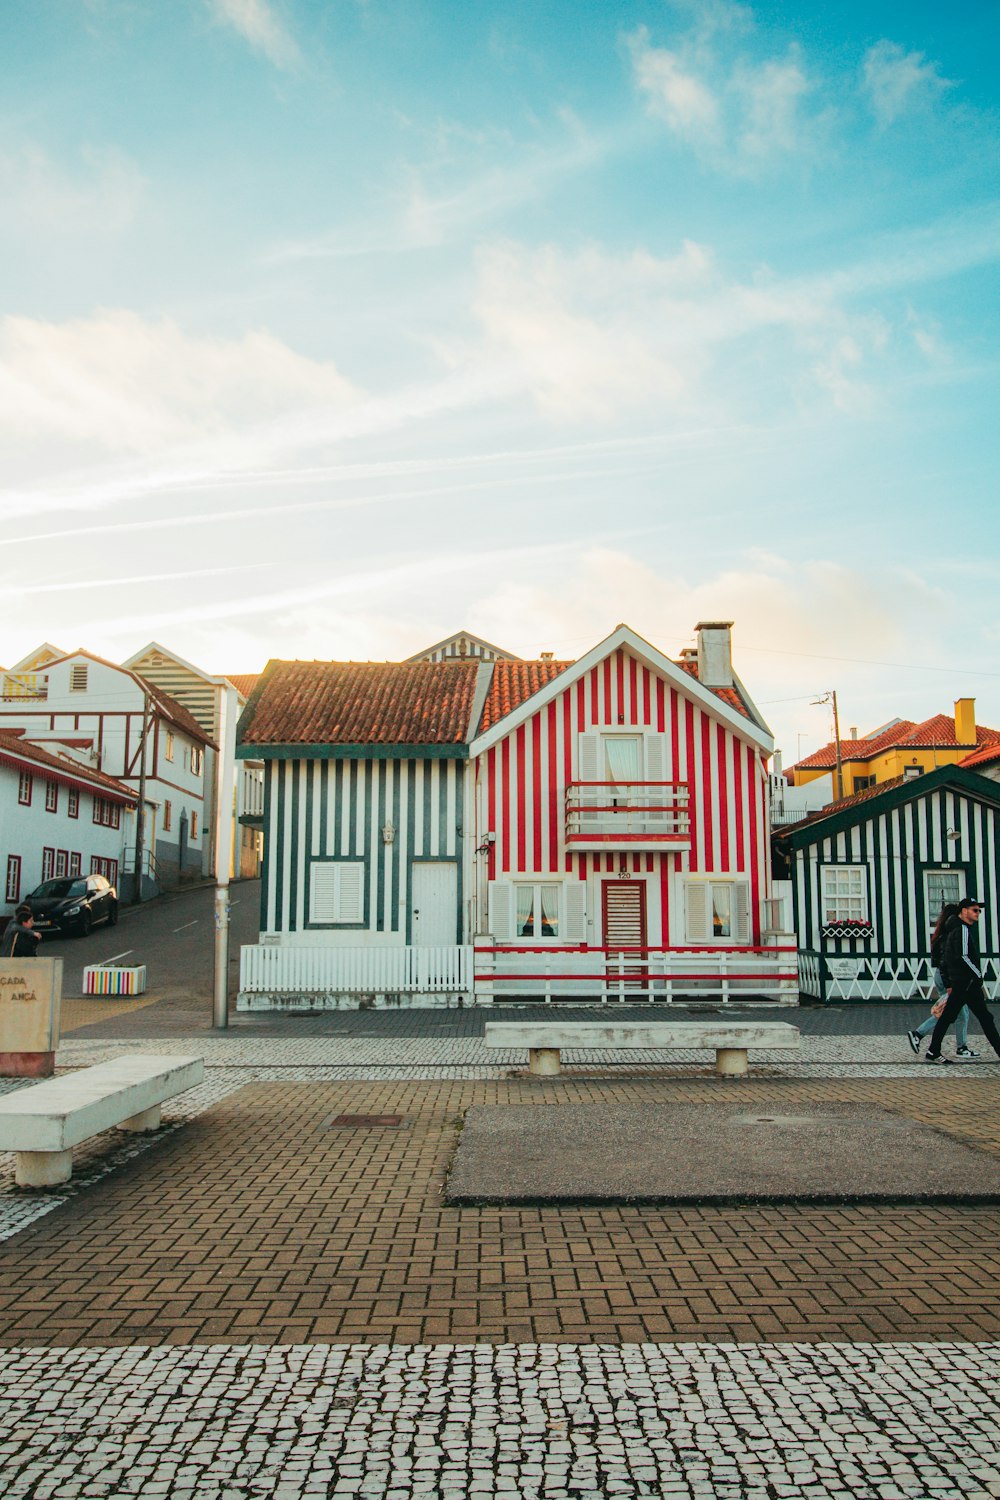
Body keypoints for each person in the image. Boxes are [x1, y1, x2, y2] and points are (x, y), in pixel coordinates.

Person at [924, 897, 1000, 1064]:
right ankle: (933, 1050)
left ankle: (933, 1050)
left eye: (979, 910)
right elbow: (963, 956)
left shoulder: (954, 929)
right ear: (964, 911)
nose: (978, 913)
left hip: (962, 983)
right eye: (974, 910)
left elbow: (951, 957)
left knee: (953, 1017)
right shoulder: (962, 929)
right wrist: (977, 974)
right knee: (983, 1018)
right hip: (966, 983)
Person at [906, 904, 978, 1059]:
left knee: (957, 1012)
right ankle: (919, 1034)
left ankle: (960, 1046)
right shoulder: (951, 933)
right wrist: (950, 984)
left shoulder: (941, 932)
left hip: (941, 975)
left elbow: (938, 959)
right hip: (948, 977)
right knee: (951, 1011)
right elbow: (947, 960)